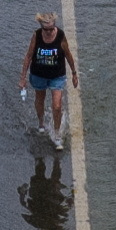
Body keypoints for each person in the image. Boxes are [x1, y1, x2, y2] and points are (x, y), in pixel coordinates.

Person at [18, 12, 77, 147]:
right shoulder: (37, 36)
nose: (49, 32)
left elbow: (68, 55)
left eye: (52, 29)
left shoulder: (60, 36)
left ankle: (57, 134)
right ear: (41, 27)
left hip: (57, 76)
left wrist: (74, 73)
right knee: (40, 99)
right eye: (46, 29)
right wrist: (23, 78)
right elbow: (28, 56)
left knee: (57, 105)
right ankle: (41, 123)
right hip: (39, 75)